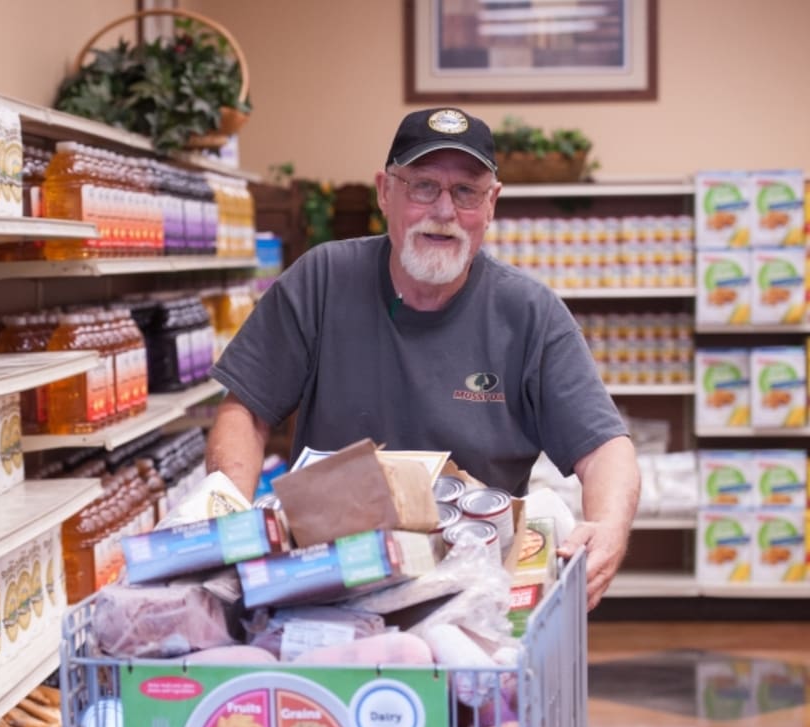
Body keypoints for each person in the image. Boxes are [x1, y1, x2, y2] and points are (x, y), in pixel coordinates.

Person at [205, 106, 639, 610]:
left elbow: (606, 446)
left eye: (466, 191)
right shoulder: (322, 280)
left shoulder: (530, 313)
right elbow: (245, 410)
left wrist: (608, 528)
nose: (444, 211)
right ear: (385, 192)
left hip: (474, 593)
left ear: (491, 204)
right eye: (424, 186)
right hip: (328, 583)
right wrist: (230, 521)